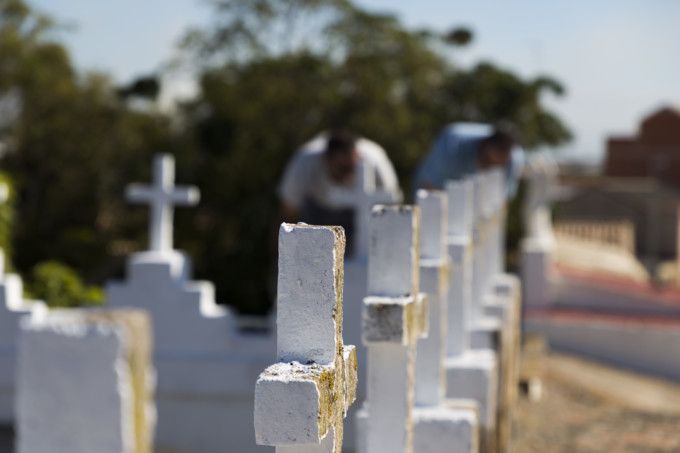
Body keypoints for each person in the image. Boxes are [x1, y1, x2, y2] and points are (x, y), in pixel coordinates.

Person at [278, 130, 400, 253]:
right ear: (325, 160)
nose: (347, 176)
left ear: (358, 156)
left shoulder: (376, 160)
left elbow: (392, 208)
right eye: (342, 169)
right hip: (317, 213)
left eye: (351, 168)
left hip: (360, 219)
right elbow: (287, 211)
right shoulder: (304, 162)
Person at [414, 122, 525, 196]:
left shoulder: (514, 159)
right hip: (436, 182)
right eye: (488, 162)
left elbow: (504, 195)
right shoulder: (451, 146)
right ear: (485, 146)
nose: (489, 167)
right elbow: (428, 187)